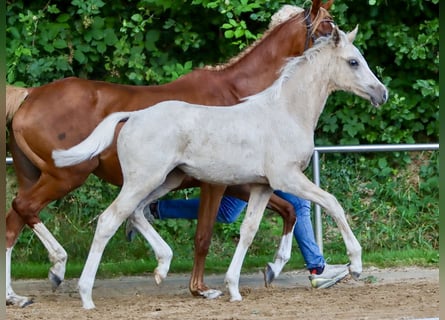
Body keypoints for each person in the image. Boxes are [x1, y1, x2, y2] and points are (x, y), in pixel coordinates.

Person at [127, 191, 349, 289]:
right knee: (228, 211)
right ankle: (317, 269)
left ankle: (317, 269)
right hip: (258, 160)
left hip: (263, 158)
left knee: (229, 211)